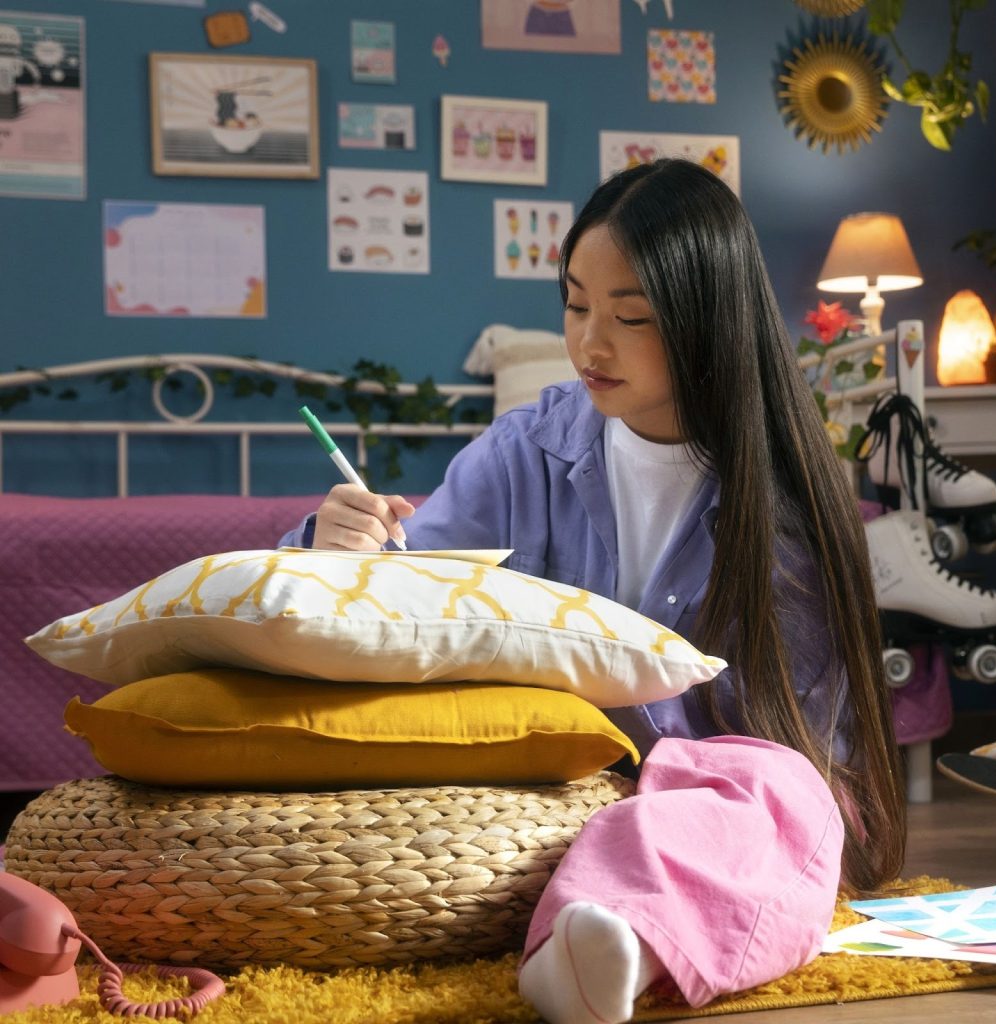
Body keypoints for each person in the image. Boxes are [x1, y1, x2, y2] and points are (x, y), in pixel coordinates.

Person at [279, 158, 906, 1022]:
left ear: (706, 323)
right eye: (575, 305)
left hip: (707, 803)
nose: (589, 345)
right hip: (540, 775)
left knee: (789, 799)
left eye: (631, 317)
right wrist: (335, 546)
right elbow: (402, 598)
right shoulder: (521, 451)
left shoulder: (790, 500)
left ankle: (614, 938)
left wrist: (659, 772)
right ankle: (606, 929)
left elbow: (788, 738)